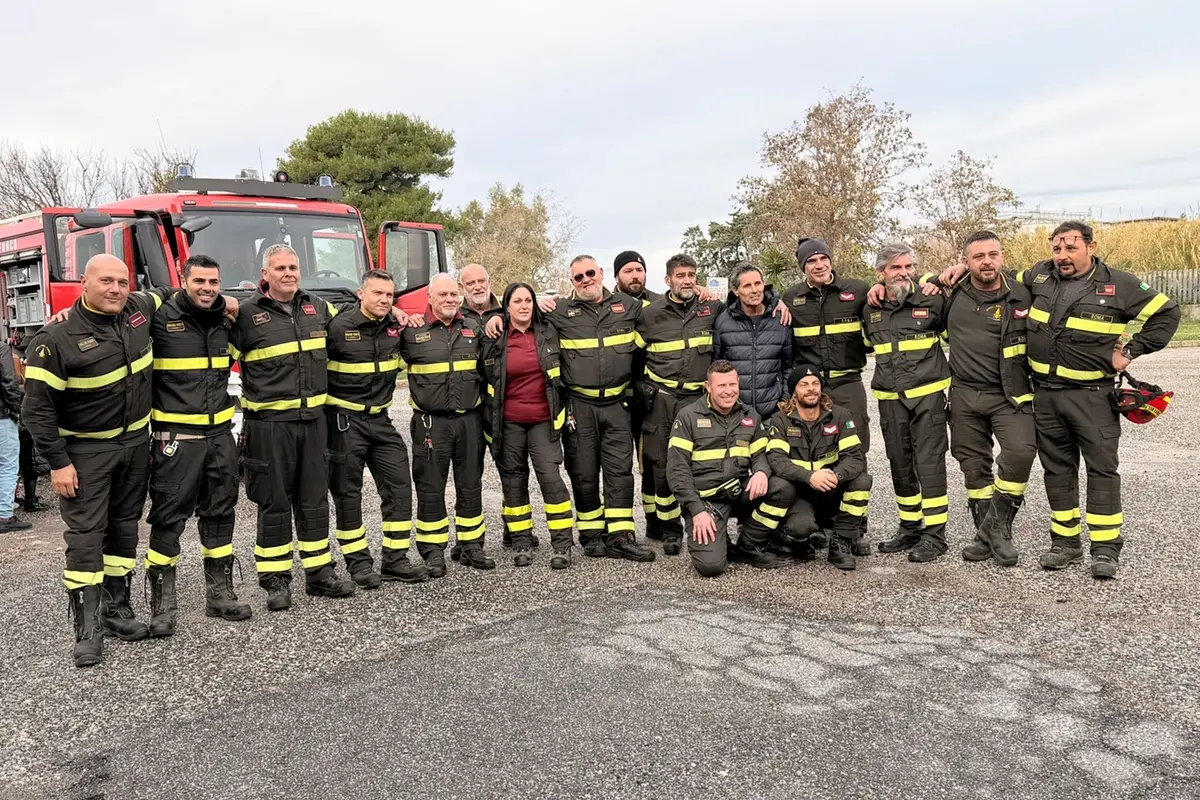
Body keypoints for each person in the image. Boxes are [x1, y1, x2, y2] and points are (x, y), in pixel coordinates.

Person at [935, 222, 1180, 578]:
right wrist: (956, 271)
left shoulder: (1120, 284)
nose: (1062, 256)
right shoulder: (1038, 277)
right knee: (1058, 470)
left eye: (1071, 248)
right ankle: (1065, 544)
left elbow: (1168, 313)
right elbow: (992, 274)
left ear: (1091, 246)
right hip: (1046, 395)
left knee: (1101, 470)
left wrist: (1130, 351)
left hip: (1093, 396)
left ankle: (1106, 549)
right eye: (1057, 249)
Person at [22, 254, 161, 667]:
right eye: (106, 281)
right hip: (85, 453)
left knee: (123, 531)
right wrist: (59, 463)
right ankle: (87, 630)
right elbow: (37, 411)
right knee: (85, 539)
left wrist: (224, 302)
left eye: (122, 281)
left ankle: (116, 610)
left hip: (135, 446)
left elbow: (172, 293)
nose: (116, 289)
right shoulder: (55, 339)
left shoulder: (136, 309)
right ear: (85, 282)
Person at [489, 256, 654, 561]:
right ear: (572, 282)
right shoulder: (560, 311)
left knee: (620, 471)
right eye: (578, 277)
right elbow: (522, 316)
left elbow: (664, 306)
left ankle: (620, 536)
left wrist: (703, 292)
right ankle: (591, 536)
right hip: (579, 404)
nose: (586, 280)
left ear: (602, 273)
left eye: (590, 273)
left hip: (618, 403)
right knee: (583, 471)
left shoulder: (629, 307)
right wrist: (495, 317)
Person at [232, 244, 358, 610]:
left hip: (314, 424)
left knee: (315, 500)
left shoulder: (317, 307)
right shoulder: (245, 314)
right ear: (265, 274)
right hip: (270, 428)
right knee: (274, 502)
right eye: (281, 268)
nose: (289, 273)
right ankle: (275, 581)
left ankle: (319, 574)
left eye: (294, 267)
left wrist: (398, 310)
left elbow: (357, 320)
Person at [143, 254, 250, 635]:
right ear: (183, 281)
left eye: (214, 282)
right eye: (199, 281)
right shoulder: (160, 316)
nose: (207, 288)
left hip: (220, 438)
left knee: (221, 514)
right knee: (168, 519)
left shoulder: (225, 320)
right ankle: (163, 606)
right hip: (176, 442)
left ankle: (219, 594)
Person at [939, 232, 1036, 566]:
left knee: (1021, 453)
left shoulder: (1024, 293)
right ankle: (986, 531)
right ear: (965, 261)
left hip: (1010, 394)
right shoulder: (951, 291)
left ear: (1002, 256)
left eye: (993, 254)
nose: (987, 262)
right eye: (978, 256)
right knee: (972, 464)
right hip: (965, 394)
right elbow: (911, 284)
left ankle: (995, 530)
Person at [326, 270, 429, 585]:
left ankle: (395, 560)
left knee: (399, 486)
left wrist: (404, 316)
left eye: (389, 295)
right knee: (348, 494)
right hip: (344, 421)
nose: (384, 300)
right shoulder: (337, 326)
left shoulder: (395, 328)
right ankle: (358, 564)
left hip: (380, 420)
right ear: (361, 293)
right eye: (378, 293)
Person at [782, 238, 873, 556]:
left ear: (831, 261)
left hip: (848, 384)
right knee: (810, 450)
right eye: (811, 261)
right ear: (803, 267)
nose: (818, 265)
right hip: (811, 389)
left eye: (823, 258)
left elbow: (892, 293)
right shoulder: (791, 297)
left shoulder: (858, 290)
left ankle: (853, 529)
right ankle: (816, 525)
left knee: (854, 452)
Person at [862, 242, 951, 563]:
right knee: (899, 465)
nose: (904, 273)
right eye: (896, 268)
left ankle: (935, 535)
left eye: (908, 267)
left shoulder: (932, 299)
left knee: (929, 464)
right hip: (890, 399)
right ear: (881, 273)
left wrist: (937, 279)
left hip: (927, 396)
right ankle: (910, 527)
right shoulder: (869, 308)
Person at [402, 274, 494, 575]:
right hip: (431, 423)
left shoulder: (473, 328)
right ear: (430, 297)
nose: (450, 300)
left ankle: (471, 546)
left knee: (470, 484)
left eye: (454, 294)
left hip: (469, 419)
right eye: (443, 295)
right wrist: (396, 312)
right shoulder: (412, 331)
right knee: (431, 488)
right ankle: (433, 551)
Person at [633, 253, 724, 555]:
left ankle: (701, 524)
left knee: (701, 464)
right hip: (663, 399)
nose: (687, 280)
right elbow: (632, 358)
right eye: (681, 275)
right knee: (661, 466)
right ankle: (670, 530)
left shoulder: (712, 309)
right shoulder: (649, 314)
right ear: (668, 280)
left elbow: (748, 308)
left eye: (691, 275)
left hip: (699, 400)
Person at [666, 360, 793, 576]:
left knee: (782, 488)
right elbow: (677, 471)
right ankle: (718, 536)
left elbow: (761, 454)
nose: (728, 392)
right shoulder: (688, 417)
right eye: (721, 386)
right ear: (708, 386)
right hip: (707, 500)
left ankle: (748, 544)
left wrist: (761, 471)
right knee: (711, 567)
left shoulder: (750, 416)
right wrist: (696, 510)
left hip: (738, 493)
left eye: (732, 385)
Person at [480, 282, 574, 569]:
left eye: (528, 300)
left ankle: (562, 543)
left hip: (544, 421)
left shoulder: (548, 330)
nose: (523, 306)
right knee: (513, 483)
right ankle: (521, 540)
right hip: (508, 423)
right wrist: (492, 318)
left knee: (551, 479)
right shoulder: (495, 337)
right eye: (517, 301)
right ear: (506, 307)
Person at [765, 364, 872, 570]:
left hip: (831, 488)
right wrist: (809, 476)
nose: (811, 388)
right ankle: (797, 539)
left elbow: (854, 458)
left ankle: (840, 544)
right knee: (800, 527)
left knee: (862, 480)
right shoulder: (781, 420)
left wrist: (837, 475)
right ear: (794, 391)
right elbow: (777, 460)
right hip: (801, 491)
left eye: (815, 383)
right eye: (803, 384)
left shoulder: (840, 416)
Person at [713, 263, 792, 417]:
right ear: (735, 291)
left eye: (758, 283)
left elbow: (788, 365)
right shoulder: (723, 321)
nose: (754, 290)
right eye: (747, 286)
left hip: (774, 412)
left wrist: (784, 400)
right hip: (735, 413)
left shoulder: (781, 318)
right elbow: (716, 365)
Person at [0, 341, 30, 533]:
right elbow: (9, 381)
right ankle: (4, 516)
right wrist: (15, 410)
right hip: (1, 417)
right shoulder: (1, 349)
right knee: (7, 466)